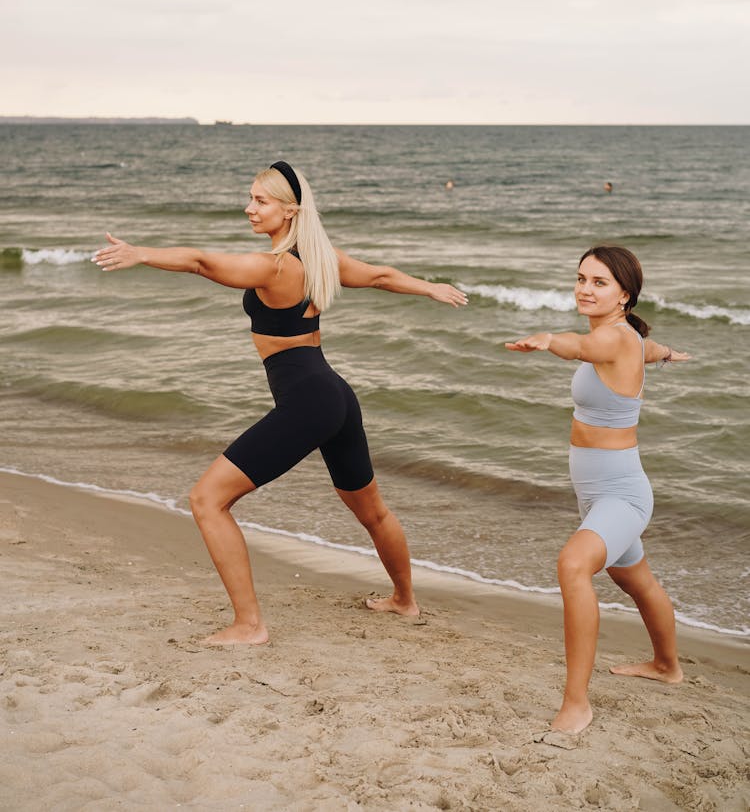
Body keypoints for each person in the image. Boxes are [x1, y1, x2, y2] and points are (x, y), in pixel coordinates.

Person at [92, 160, 467, 646]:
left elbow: (202, 263)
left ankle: (249, 626)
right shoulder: (320, 258)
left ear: (289, 211)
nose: (250, 208)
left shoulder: (274, 266)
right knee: (371, 511)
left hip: (310, 401)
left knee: (208, 500)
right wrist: (429, 287)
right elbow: (379, 276)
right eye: (250, 198)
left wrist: (142, 253)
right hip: (335, 394)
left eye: (261, 201)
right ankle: (405, 601)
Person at [505, 245, 689, 734]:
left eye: (599, 282)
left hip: (623, 494)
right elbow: (642, 349)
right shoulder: (628, 338)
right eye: (581, 278)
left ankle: (577, 703)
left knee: (572, 565)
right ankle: (667, 666)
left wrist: (548, 339)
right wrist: (666, 352)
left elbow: (583, 348)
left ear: (624, 294)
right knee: (637, 581)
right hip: (596, 493)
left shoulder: (611, 340)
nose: (585, 288)